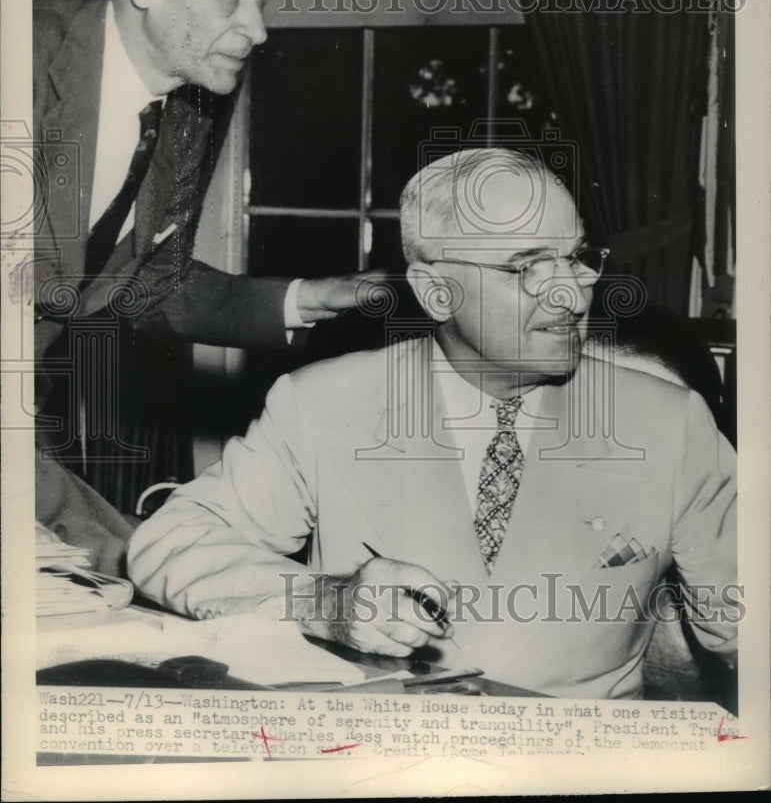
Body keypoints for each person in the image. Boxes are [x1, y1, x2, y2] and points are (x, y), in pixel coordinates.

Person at [127, 148, 738, 699]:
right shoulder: (323, 404)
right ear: (436, 291)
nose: (571, 295)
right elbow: (170, 543)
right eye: (526, 266)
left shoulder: (668, 422)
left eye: (576, 258)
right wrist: (325, 600)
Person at [33, 0, 381, 573]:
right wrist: (129, 556)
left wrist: (301, 297)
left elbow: (148, 283)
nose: (258, 29)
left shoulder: (185, 114)